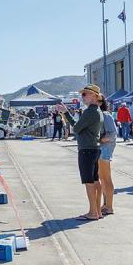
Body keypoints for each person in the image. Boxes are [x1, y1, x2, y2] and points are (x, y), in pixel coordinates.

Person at [56, 84, 104, 221]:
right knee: (95, 180)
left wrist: (66, 113)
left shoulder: (90, 112)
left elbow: (76, 128)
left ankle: (93, 212)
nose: (82, 97)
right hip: (94, 149)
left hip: (86, 150)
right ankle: (97, 211)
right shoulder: (97, 111)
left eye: (85, 94)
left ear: (94, 96)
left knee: (89, 182)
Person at [98, 98, 117, 215]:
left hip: (104, 149)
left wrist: (97, 140)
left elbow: (112, 135)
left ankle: (109, 206)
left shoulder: (105, 115)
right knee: (102, 178)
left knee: (106, 178)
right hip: (102, 149)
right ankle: (106, 205)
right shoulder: (101, 114)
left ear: (100, 102)